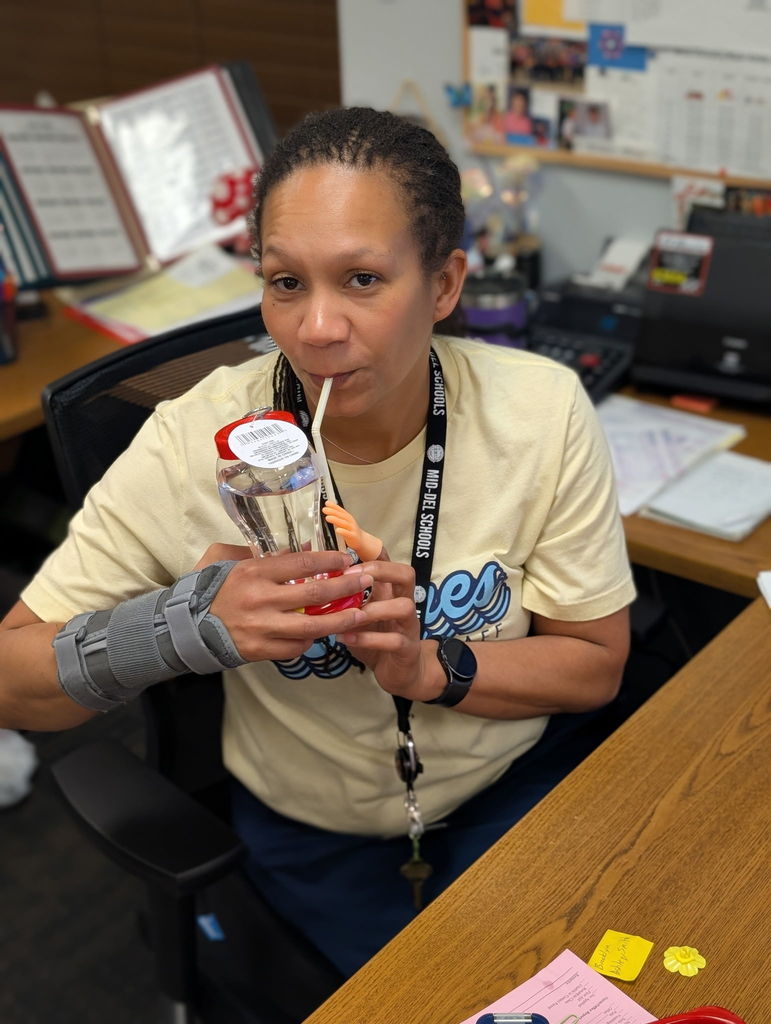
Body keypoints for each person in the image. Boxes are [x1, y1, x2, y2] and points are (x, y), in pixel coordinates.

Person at [0, 107, 635, 978]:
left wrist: (428, 667)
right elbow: (12, 682)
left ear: (444, 286)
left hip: (504, 788)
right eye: (286, 282)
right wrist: (181, 625)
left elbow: (594, 662)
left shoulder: (539, 410)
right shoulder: (199, 437)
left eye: (363, 280)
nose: (316, 329)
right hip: (314, 825)